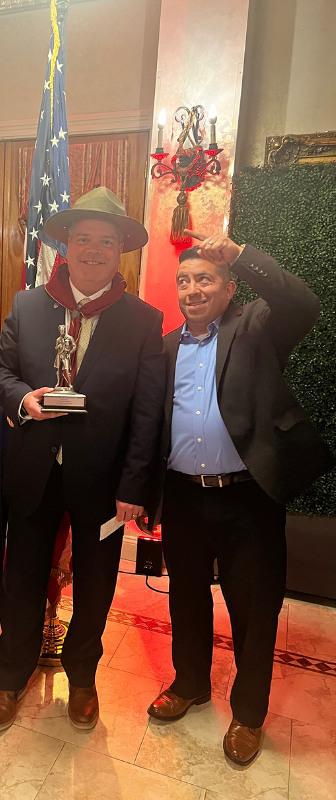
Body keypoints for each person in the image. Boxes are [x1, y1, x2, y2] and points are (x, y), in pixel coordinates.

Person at [147, 231, 334, 765]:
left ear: (229, 289)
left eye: (205, 279)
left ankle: (249, 714)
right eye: (184, 281)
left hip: (248, 499)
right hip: (183, 496)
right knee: (185, 596)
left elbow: (303, 304)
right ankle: (190, 683)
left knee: (253, 608)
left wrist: (242, 256)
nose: (192, 290)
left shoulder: (255, 327)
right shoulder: (165, 348)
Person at [0, 186, 166, 732]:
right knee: (22, 580)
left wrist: (134, 486)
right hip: (35, 471)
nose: (93, 250)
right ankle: (10, 678)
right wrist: (23, 399)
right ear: (66, 245)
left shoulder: (143, 319)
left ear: (120, 250)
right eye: (83, 239)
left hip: (105, 481)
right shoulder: (28, 305)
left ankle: (82, 678)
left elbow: (147, 412)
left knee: (96, 585)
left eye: (106, 241)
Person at [54, 324, 76, 388]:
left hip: (66, 355)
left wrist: (70, 352)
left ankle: (69, 384)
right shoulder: (58, 339)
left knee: (67, 370)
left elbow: (74, 346)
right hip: (59, 355)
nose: (62, 332)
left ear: (65, 330)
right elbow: (56, 347)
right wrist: (58, 346)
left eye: (63, 330)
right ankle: (58, 382)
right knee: (58, 369)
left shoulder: (69, 338)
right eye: (61, 330)